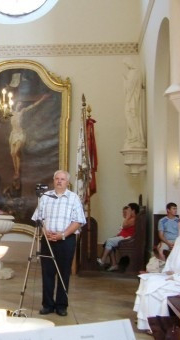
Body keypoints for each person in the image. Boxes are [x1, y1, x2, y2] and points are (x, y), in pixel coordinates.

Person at [31, 170, 86, 316]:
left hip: (66, 240)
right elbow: (38, 218)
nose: (59, 181)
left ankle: (61, 305)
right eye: (57, 178)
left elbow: (78, 221)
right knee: (47, 273)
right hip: (48, 240)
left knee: (64, 273)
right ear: (53, 180)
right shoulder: (45, 197)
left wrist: (62, 235)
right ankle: (47, 304)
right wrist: (45, 232)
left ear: (67, 182)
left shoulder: (73, 198)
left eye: (62, 179)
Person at [134, 221, 180, 333]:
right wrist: (168, 271)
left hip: (179, 281)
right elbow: (171, 261)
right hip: (173, 275)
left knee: (153, 288)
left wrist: (176, 277)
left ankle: (157, 327)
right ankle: (146, 320)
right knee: (146, 279)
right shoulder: (179, 239)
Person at [8, 94, 50, 179]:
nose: (20, 105)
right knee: (12, 154)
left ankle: (17, 172)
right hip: (13, 134)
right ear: (15, 104)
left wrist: (42, 99)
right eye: (18, 103)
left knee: (16, 152)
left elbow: (33, 106)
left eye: (21, 104)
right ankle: (16, 171)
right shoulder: (11, 112)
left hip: (20, 134)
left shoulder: (22, 112)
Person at [97, 202, 139, 271]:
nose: (127, 211)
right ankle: (114, 264)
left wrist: (127, 216)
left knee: (110, 241)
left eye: (129, 209)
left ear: (133, 210)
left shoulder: (134, 219)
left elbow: (124, 225)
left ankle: (102, 260)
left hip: (127, 238)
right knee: (109, 242)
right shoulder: (131, 218)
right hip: (124, 236)